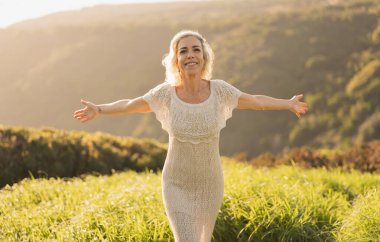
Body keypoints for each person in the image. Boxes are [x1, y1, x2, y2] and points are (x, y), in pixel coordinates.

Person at [73, 30, 308, 242]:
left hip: (210, 184)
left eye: (196, 49)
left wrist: (287, 104)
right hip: (176, 184)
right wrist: (100, 109)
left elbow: (256, 101)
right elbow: (129, 105)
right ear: (176, 60)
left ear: (204, 57)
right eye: (183, 51)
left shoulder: (220, 90)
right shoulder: (165, 94)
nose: (190, 55)